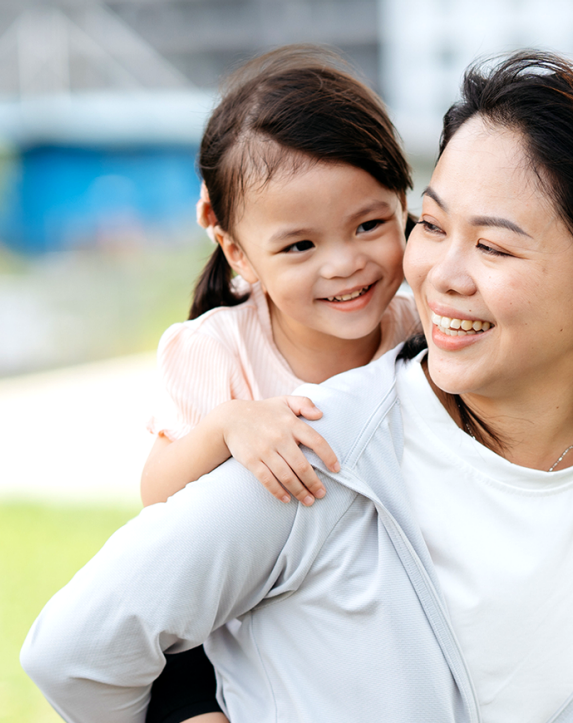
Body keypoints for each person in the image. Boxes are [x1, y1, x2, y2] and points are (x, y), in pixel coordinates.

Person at [22, 51, 573, 723]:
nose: (439, 275)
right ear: (234, 244)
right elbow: (76, 648)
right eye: (434, 227)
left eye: (491, 246)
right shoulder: (306, 452)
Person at [135, 46, 420, 723]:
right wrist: (227, 426)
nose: (346, 264)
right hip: (223, 636)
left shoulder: (424, 332)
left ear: (404, 202)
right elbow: (156, 498)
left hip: (367, 628)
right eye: (300, 246)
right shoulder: (214, 349)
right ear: (238, 251)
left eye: (370, 224)